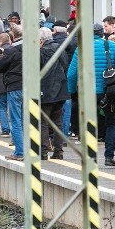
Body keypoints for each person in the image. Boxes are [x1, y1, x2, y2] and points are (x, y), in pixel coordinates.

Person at [67, 23, 115, 167]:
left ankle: (90, 156)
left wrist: (72, 91)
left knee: (88, 123)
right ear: (102, 33)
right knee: (111, 123)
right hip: (108, 92)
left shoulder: (80, 49)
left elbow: (72, 74)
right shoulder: (111, 46)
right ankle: (109, 156)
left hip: (87, 93)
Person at [0, 25, 23, 159]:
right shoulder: (33, 48)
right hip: (30, 87)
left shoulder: (12, 50)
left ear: (12, 36)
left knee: (16, 120)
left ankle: (20, 152)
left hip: (15, 86)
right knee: (26, 120)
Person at [39, 27, 69, 160]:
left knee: (43, 122)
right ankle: (59, 151)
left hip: (45, 90)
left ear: (41, 40)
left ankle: (43, 151)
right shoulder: (61, 49)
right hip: (61, 89)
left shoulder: (40, 52)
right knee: (58, 121)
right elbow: (66, 66)